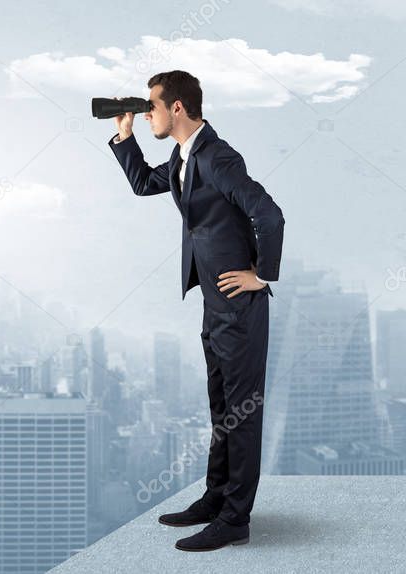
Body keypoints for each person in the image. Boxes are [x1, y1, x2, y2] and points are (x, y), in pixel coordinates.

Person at [107, 70, 285, 551]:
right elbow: (144, 184)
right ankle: (216, 497)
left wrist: (261, 275)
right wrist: (124, 137)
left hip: (239, 307)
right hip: (212, 303)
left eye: (153, 107)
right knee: (222, 408)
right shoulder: (184, 156)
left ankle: (235, 520)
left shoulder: (218, 157)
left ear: (178, 108)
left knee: (242, 412)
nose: (149, 115)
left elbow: (268, 213)